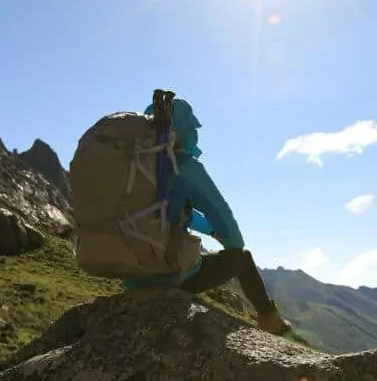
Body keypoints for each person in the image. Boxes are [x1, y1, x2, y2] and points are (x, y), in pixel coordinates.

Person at [119, 98, 291, 335]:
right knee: (242, 258)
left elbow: (162, 213)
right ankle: (270, 321)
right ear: (180, 130)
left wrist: (202, 226)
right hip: (168, 276)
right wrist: (220, 234)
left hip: (131, 277)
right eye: (191, 128)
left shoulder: (130, 167)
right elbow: (233, 236)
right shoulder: (185, 167)